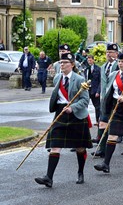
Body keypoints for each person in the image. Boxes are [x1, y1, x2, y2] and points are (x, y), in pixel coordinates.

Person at [34, 53, 93, 187]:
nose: (62, 65)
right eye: (60, 62)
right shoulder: (57, 78)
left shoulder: (79, 79)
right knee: (55, 146)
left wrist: (73, 107)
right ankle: (49, 177)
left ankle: (80, 172)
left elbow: (85, 100)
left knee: (80, 147)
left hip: (76, 115)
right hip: (60, 113)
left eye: (65, 62)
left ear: (72, 64)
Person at [90, 43, 119, 158]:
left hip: (115, 99)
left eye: (111, 52)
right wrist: (100, 93)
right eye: (107, 52)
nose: (108, 54)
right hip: (104, 99)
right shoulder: (103, 67)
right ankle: (102, 149)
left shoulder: (118, 65)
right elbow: (103, 82)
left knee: (121, 126)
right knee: (102, 123)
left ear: (116, 54)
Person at [84, 55, 101, 124]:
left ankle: (98, 120)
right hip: (88, 90)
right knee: (85, 105)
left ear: (93, 60)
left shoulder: (98, 69)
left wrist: (98, 91)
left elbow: (100, 81)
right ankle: (85, 120)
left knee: (97, 106)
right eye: (88, 60)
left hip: (95, 90)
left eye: (90, 60)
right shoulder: (86, 69)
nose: (89, 61)